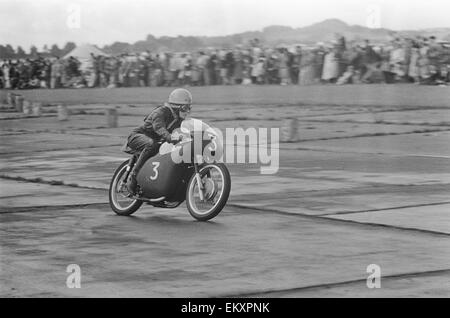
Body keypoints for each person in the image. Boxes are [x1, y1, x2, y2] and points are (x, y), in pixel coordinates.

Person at [124, 88, 193, 195]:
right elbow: (159, 128)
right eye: (185, 108)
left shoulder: (178, 119)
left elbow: (180, 131)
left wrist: (191, 135)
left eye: (189, 108)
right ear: (176, 106)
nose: (187, 111)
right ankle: (133, 176)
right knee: (151, 144)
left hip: (156, 141)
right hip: (138, 136)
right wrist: (170, 137)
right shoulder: (160, 112)